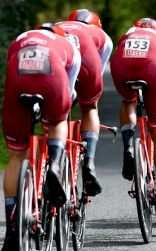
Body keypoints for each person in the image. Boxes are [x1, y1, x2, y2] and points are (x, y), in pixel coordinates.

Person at [0, 23, 81, 251]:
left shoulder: (19, 40)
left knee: (16, 156)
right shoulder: (67, 46)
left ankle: (11, 231)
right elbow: (70, 91)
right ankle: (55, 165)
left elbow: (11, 72)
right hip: (53, 82)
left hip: (18, 85)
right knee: (58, 120)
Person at [110, 18, 156, 222]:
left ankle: (128, 145)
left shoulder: (128, 34)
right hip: (152, 71)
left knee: (128, 101)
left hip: (121, 67)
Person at [56, 9, 113, 196]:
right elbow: (99, 69)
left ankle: (53, 157)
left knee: (56, 114)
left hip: (58, 63)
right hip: (88, 66)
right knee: (90, 107)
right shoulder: (101, 36)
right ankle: (89, 161)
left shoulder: (58, 27)